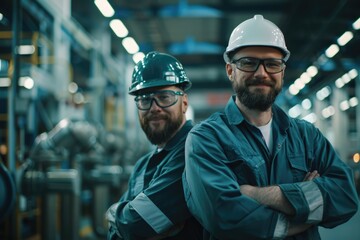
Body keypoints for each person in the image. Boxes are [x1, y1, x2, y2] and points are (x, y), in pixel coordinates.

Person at [183, 15, 359, 239]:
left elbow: (345, 195)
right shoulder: (206, 138)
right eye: (248, 62)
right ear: (230, 70)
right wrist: (302, 210)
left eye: (272, 64)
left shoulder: (307, 136)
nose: (261, 73)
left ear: (282, 72)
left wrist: (257, 194)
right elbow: (224, 216)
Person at [106, 51, 203, 239]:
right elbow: (118, 233)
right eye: (145, 99)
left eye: (164, 97)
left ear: (184, 102)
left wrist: (116, 215)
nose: (154, 107)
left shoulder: (194, 150)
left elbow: (135, 225)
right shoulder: (142, 165)